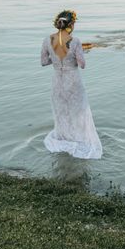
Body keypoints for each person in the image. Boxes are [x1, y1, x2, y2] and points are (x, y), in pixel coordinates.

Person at [41, 10, 102, 159]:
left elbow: (43, 62)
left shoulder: (47, 40)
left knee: (62, 112)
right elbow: (82, 64)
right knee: (78, 112)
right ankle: (79, 138)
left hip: (58, 81)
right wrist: (76, 58)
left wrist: (56, 62)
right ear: (71, 25)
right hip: (73, 81)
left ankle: (65, 137)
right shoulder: (75, 41)